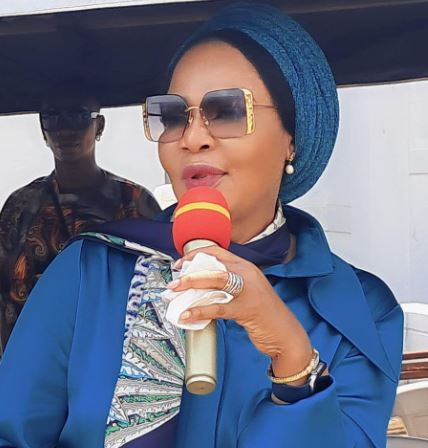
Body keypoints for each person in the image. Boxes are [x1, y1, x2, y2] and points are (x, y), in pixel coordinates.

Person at [0, 4, 403, 447]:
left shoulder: (359, 309)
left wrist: (292, 358)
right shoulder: (91, 270)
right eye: (173, 116)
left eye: (227, 110)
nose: (192, 138)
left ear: (293, 137)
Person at [0, 88, 161, 355]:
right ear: (42, 129)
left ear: (99, 126)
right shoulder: (21, 205)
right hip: (33, 357)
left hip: (116, 356)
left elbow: (160, 287)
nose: (65, 129)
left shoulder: (135, 202)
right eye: (53, 117)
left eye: (78, 116)